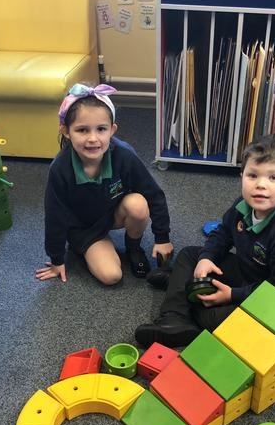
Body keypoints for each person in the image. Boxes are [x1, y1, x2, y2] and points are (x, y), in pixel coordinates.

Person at [135, 133, 275, 348]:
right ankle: (174, 318)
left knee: (208, 316)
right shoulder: (245, 204)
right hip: (246, 271)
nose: (260, 185)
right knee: (190, 255)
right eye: (252, 175)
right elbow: (223, 233)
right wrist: (207, 257)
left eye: (273, 178)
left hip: (273, 299)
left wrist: (232, 295)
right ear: (242, 176)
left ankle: (181, 286)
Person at [35, 83, 173, 285]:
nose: (93, 139)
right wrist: (57, 259)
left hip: (110, 213)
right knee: (111, 276)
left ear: (112, 130)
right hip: (82, 228)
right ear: (66, 131)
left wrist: (162, 238)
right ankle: (86, 247)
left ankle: (133, 248)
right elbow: (54, 216)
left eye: (101, 129)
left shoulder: (124, 155)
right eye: (82, 130)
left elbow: (154, 194)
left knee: (138, 204)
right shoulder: (60, 169)